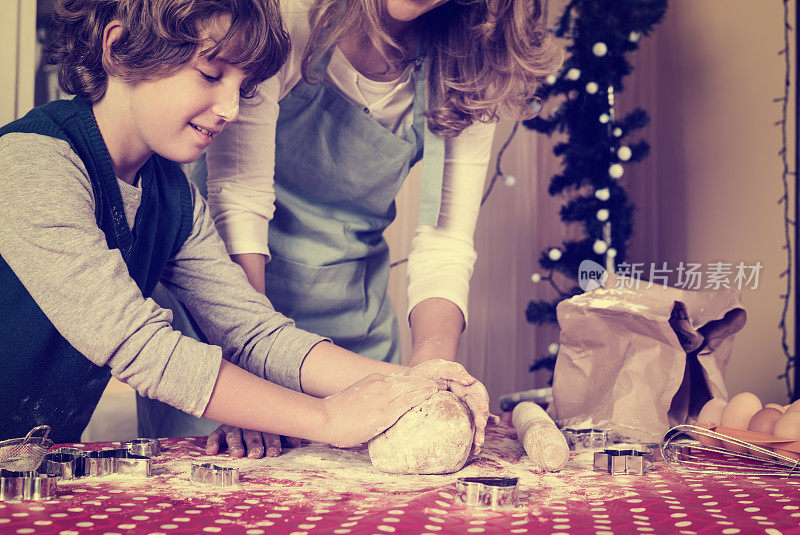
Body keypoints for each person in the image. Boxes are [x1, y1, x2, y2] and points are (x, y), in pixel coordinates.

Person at [0, 0, 489, 448]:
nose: (232, 111)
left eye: (243, 88)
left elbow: (253, 331)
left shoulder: (172, 195)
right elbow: (139, 344)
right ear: (118, 46)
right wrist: (325, 420)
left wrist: (414, 384)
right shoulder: (30, 164)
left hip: (29, 460)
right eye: (211, 75)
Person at [137, 0, 556, 456]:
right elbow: (240, 198)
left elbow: (445, 240)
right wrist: (256, 382)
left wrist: (432, 375)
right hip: (225, 314)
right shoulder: (286, 16)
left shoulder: (472, 62)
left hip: (352, 326)